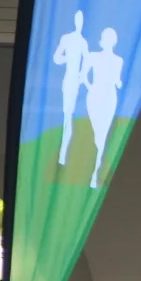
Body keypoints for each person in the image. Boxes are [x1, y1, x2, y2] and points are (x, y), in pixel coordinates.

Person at [83, 27, 123, 190]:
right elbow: (83, 75)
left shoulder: (118, 60)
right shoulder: (93, 56)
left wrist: (119, 83)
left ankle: (96, 173)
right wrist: (91, 87)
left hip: (110, 97)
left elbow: (117, 81)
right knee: (96, 133)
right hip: (95, 96)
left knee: (103, 133)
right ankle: (93, 167)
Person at [52, 11, 88, 167]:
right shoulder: (67, 38)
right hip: (68, 80)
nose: (79, 22)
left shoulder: (83, 42)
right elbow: (56, 57)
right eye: (78, 19)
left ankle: (64, 154)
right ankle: (62, 153)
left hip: (76, 82)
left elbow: (87, 61)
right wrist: (68, 58)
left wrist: (82, 76)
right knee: (67, 115)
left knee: (71, 116)